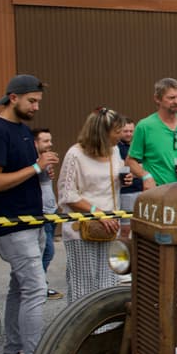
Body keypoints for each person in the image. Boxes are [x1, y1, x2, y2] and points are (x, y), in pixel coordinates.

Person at [0, 74, 59, 354]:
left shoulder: (22, 131)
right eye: (32, 101)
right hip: (12, 226)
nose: (36, 107)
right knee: (35, 289)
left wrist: (43, 172)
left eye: (38, 102)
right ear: (13, 98)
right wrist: (35, 167)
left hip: (31, 222)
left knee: (20, 287)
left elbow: (29, 174)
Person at [58, 108, 132, 304]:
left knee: (108, 282)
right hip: (82, 229)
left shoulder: (115, 151)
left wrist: (125, 180)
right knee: (83, 285)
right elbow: (67, 193)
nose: (121, 135)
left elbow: (112, 180)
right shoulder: (75, 154)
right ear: (102, 132)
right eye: (117, 131)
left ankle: (105, 331)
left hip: (110, 227)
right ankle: (82, 332)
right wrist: (97, 213)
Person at [126, 78, 177, 189]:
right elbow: (130, 161)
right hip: (158, 192)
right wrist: (146, 176)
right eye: (171, 98)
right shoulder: (145, 126)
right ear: (157, 99)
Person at [32, 128, 63, 300]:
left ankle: (39, 285)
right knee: (46, 252)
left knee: (46, 251)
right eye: (45, 141)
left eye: (50, 140)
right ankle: (38, 286)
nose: (50, 144)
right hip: (40, 213)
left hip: (51, 210)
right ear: (35, 143)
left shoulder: (46, 160)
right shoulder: (32, 161)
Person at [116, 117, 142, 241]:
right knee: (125, 229)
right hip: (126, 193)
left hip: (142, 191)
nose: (129, 134)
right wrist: (138, 169)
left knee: (141, 227)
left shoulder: (138, 146)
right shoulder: (116, 149)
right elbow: (122, 168)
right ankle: (122, 258)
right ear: (119, 131)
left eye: (131, 131)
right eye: (126, 131)